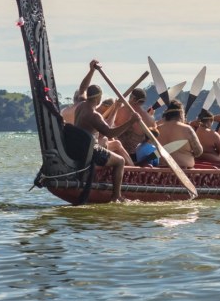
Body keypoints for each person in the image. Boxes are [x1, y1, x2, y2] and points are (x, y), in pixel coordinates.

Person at [71, 60, 141, 202]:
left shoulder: (80, 104)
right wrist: (131, 122)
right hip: (90, 151)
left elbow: (82, 87)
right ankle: (116, 196)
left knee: (111, 148)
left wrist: (91, 70)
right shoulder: (93, 115)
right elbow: (110, 134)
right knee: (120, 161)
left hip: (78, 147)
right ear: (98, 98)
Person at [156, 100, 203, 168]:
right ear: (181, 114)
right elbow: (198, 151)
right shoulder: (187, 129)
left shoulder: (158, 129)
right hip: (185, 172)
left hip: (160, 172)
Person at [114, 88, 156, 158]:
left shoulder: (120, 111)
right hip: (136, 156)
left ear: (132, 98)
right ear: (143, 102)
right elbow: (154, 134)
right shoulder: (149, 119)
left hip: (117, 152)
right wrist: (150, 116)